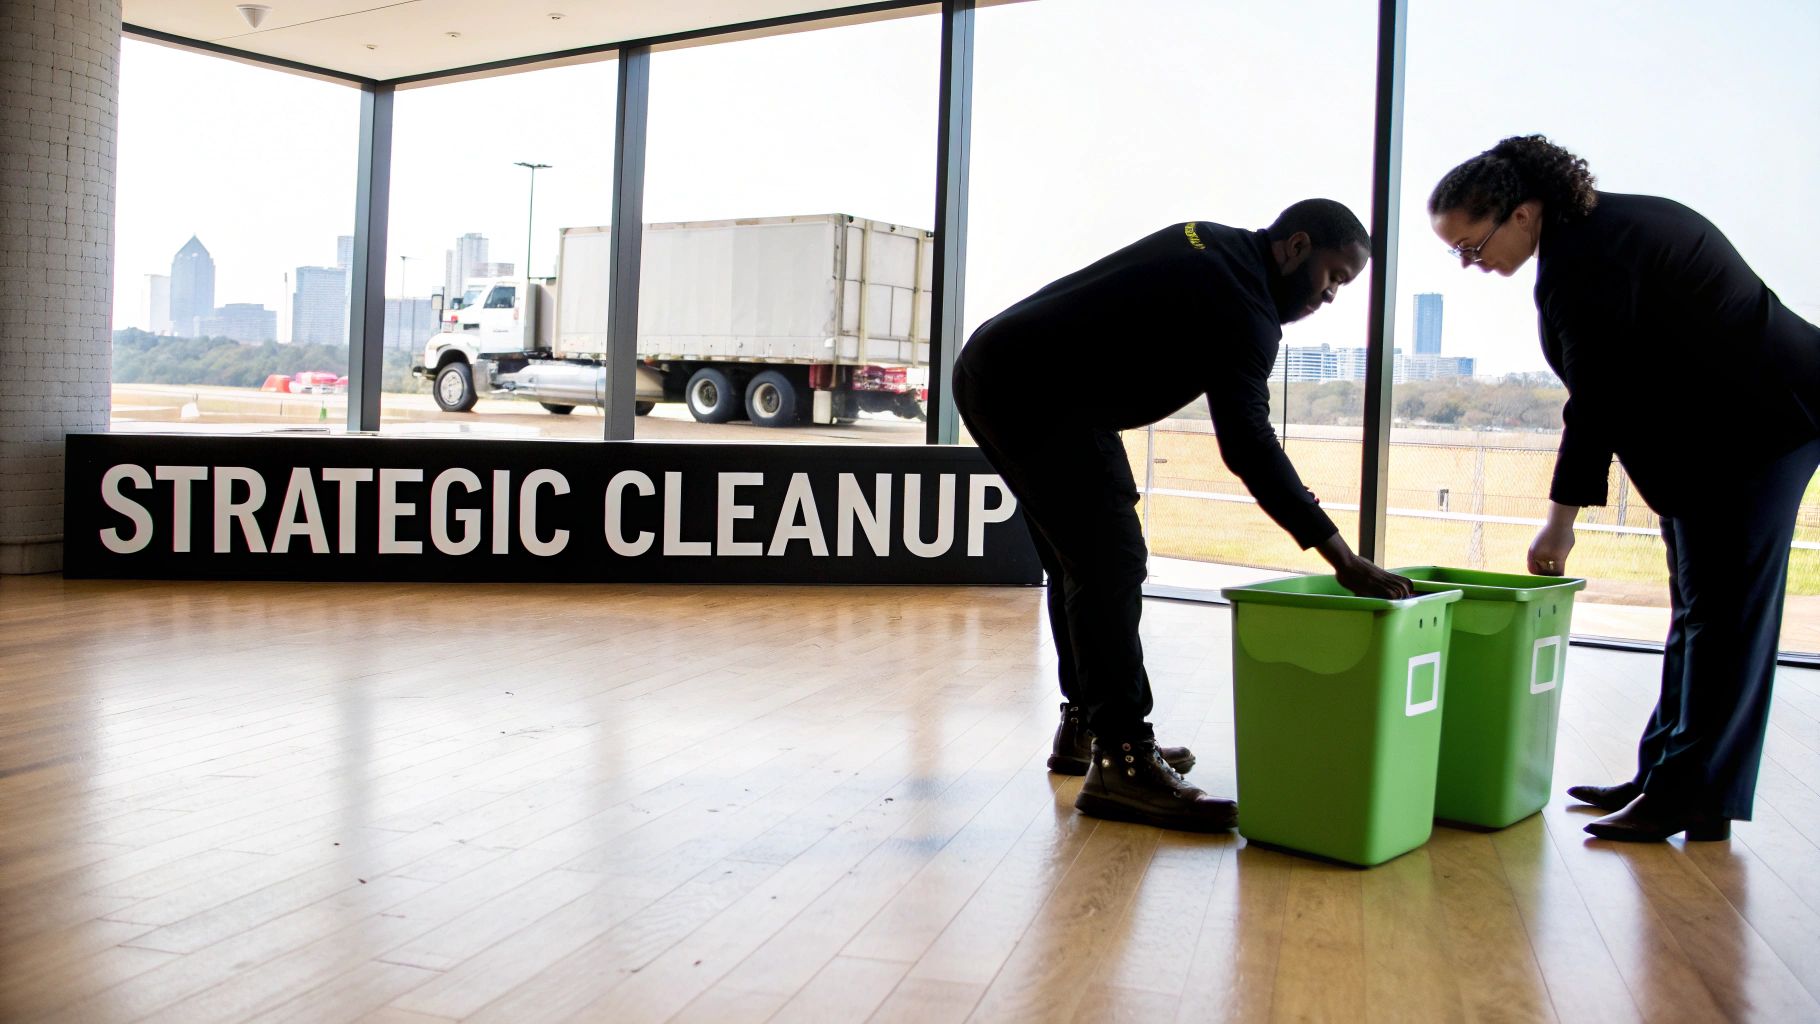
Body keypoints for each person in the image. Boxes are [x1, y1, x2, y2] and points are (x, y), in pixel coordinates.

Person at [953, 200, 1414, 834]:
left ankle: (1091, 730)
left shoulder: (1220, 247)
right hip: (1030, 388)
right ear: (1296, 246)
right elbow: (1249, 443)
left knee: (1081, 558)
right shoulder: (1243, 305)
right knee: (1108, 560)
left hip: (1024, 378)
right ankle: (1123, 761)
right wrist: (1342, 558)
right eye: (1333, 276)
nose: (1330, 296)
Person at [1428, 135, 1820, 843]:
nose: (1470, 262)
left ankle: (1691, 796)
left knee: (1725, 618)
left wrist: (1559, 522)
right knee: (1700, 608)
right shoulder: (1593, 237)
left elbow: (1596, 402)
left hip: (1768, 424)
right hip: (1717, 434)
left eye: (1470, 244)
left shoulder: (1591, 259)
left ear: (1521, 213)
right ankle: (1665, 775)